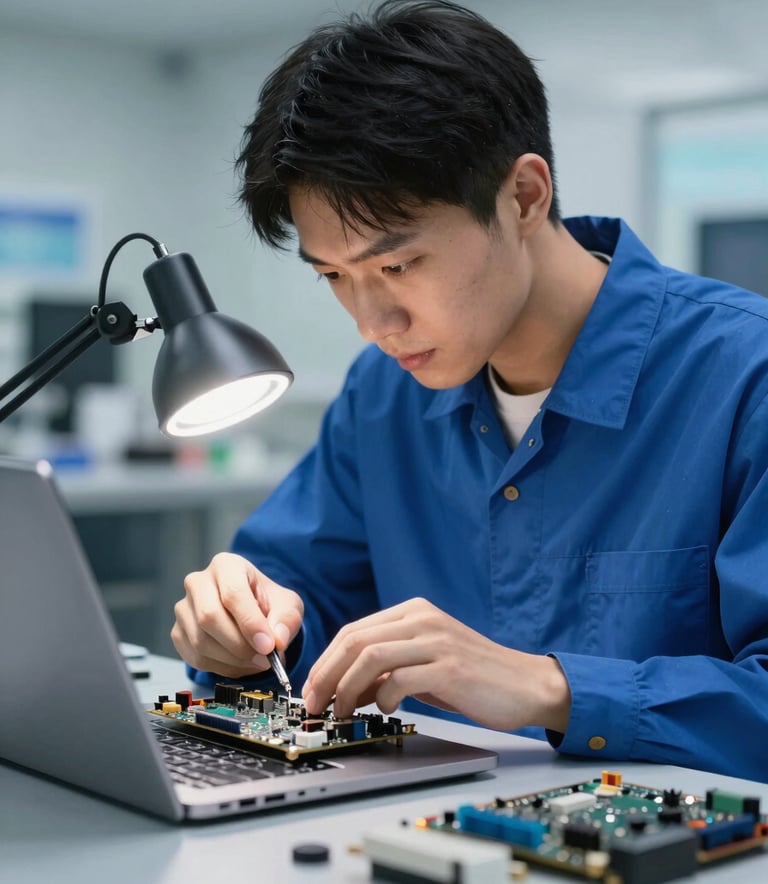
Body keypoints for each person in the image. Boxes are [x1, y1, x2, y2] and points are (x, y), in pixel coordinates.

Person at [171, 0, 768, 780]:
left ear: (523, 195)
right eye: (333, 277)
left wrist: (548, 687)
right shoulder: (383, 396)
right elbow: (298, 601)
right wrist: (239, 628)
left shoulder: (744, 374)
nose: (372, 323)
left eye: (396, 266)